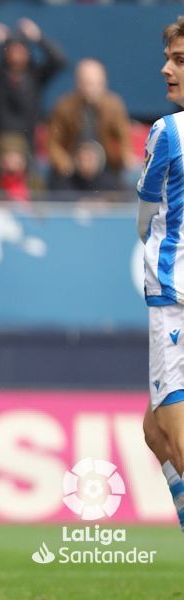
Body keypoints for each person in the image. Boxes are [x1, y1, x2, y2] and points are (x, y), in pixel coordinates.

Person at [138, 16, 184, 533]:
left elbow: (144, 220)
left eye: (181, 60)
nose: (165, 68)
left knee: (171, 433)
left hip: (175, 297)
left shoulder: (169, 132)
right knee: (154, 431)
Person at [0, 18, 65, 167]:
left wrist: (39, 37)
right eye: (12, 49)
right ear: (4, 53)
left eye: (21, 49)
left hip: (28, 152)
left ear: (28, 52)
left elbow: (59, 60)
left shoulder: (36, 76)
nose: (16, 54)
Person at [47, 58, 137, 188]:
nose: (90, 88)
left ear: (104, 83)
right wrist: (64, 162)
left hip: (106, 167)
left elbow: (123, 136)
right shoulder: (64, 106)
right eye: (86, 83)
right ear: (77, 83)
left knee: (131, 179)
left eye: (95, 84)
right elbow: (53, 142)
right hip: (72, 168)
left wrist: (125, 156)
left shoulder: (114, 105)